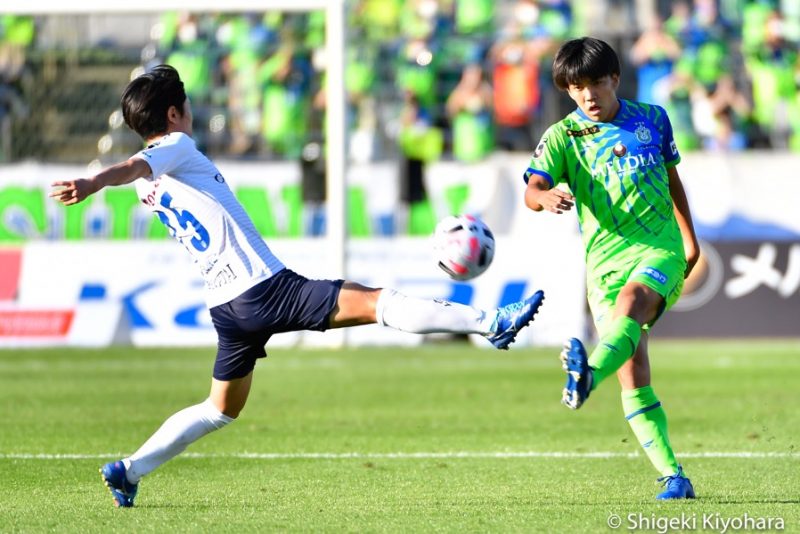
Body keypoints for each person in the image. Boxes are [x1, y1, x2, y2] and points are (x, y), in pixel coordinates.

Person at [49, 65, 545, 508]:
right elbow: (135, 164)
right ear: (175, 113)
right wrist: (94, 182)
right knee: (377, 304)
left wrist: (101, 180)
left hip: (226, 305)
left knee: (220, 409)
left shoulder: (149, 182)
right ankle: (490, 323)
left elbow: (137, 170)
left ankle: (130, 470)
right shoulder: (175, 147)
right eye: (188, 106)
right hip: (263, 288)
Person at [521, 38, 700, 500]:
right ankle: (673, 475)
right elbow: (533, 187)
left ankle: (585, 378)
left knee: (632, 303)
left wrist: (688, 237)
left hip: (657, 248)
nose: (587, 97)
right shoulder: (563, 136)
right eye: (576, 88)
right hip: (603, 263)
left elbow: (672, 177)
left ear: (615, 79)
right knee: (633, 365)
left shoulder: (652, 119)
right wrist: (542, 197)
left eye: (595, 84)